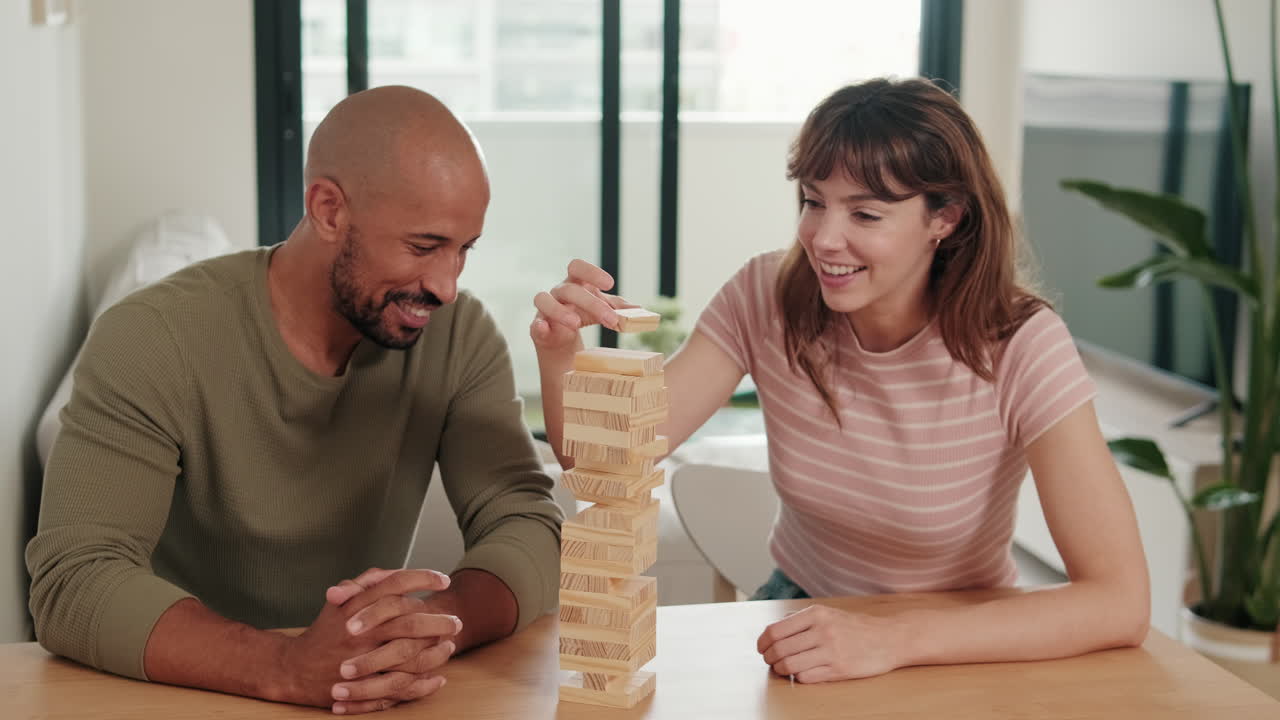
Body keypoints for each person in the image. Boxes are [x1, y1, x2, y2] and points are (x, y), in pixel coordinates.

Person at [531, 77, 1150, 683]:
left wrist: (893, 639)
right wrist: (561, 353)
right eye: (813, 201)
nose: (825, 238)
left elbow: (1121, 601)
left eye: (866, 213)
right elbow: (596, 466)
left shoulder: (1021, 343)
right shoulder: (765, 295)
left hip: (963, 635)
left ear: (947, 218)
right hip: (804, 620)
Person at [27, 86, 562, 714]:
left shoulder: (458, 336)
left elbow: (525, 518)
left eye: (464, 249)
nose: (446, 285)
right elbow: (74, 580)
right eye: (423, 247)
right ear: (329, 210)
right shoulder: (152, 338)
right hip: (180, 694)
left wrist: (428, 625)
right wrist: (284, 665)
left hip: (366, 697)